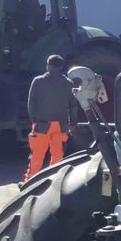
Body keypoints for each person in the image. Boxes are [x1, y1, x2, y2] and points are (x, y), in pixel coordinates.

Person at [24, 55, 74, 183]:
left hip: (42, 125)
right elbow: (73, 106)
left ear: (47, 65)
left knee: (37, 156)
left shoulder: (38, 81)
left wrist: (34, 120)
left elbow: (31, 103)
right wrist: (73, 123)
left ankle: (30, 182)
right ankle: (54, 182)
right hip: (61, 125)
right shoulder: (68, 83)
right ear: (62, 67)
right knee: (58, 155)